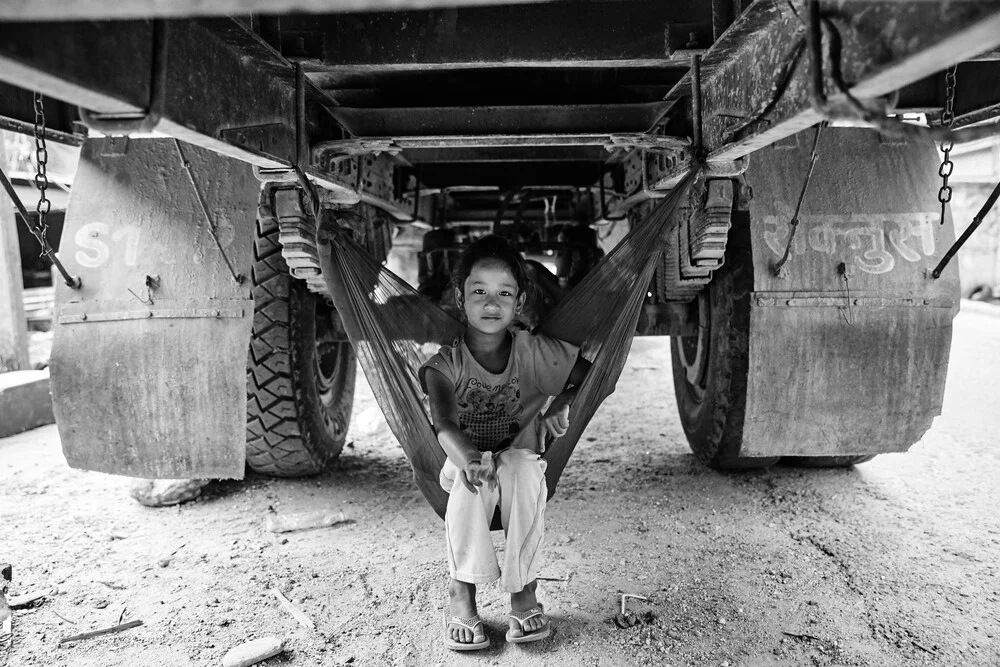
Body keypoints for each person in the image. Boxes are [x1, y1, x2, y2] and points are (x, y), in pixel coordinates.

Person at [420, 235, 590, 650]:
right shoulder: (446, 363)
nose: (491, 304)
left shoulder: (533, 351)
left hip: (518, 461)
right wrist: (470, 459)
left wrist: (562, 404)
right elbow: (442, 422)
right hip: (460, 462)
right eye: (478, 291)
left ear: (520, 300)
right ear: (460, 299)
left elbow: (589, 374)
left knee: (525, 469)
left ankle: (523, 589)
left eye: (503, 293)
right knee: (466, 480)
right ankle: (462, 591)